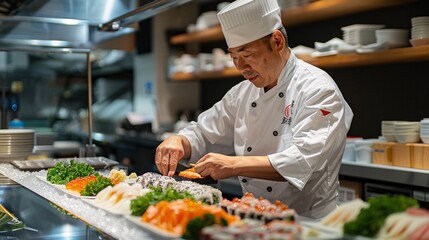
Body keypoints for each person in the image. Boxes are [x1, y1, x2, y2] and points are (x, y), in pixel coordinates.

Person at [155, 0, 353, 220]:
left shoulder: (318, 89)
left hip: (309, 222)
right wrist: (178, 141)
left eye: (247, 55)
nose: (241, 68)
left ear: (277, 41)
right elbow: (204, 132)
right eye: (234, 58)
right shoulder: (241, 94)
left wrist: (233, 164)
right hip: (253, 218)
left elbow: (304, 160)